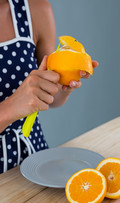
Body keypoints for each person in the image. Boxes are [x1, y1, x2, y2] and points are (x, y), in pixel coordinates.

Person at [0, 0, 98, 174]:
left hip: (33, 161)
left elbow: (51, 100)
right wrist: (11, 107)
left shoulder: (34, 10)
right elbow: (19, 102)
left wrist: (61, 86)